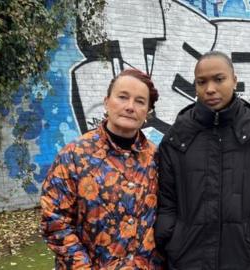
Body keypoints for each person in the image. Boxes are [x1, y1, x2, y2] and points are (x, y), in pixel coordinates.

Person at [155, 51, 250, 270]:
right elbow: (165, 197)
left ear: (234, 80)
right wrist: (171, 237)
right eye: (202, 82)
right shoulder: (179, 136)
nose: (210, 89)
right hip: (186, 259)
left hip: (242, 258)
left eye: (219, 79)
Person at [41, 68, 163, 269]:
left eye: (140, 101)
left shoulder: (156, 158)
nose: (130, 107)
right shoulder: (74, 155)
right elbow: (55, 221)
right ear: (107, 101)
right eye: (122, 97)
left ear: (148, 112)